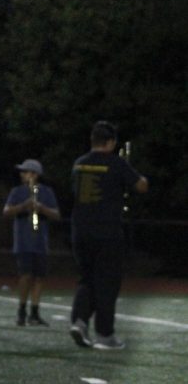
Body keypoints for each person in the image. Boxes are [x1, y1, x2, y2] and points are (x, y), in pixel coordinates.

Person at [69, 121, 148, 350]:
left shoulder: (79, 164)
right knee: (107, 283)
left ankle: (80, 321)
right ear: (111, 142)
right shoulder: (116, 162)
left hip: (80, 231)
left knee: (87, 279)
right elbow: (141, 186)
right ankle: (105, 335)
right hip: (107, 232)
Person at [3, 158, 60, 327]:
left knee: (40, 277)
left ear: (35, 174)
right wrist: (23, 207)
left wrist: (41, 208)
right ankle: (21, 310)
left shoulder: (47, 192)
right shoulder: (17, 191)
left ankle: (34, 312)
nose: (22, 174)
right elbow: (6, 212)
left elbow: (56, 215)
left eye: (25, 171)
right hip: (23, 240)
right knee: (25, 275)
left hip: (40, 240)